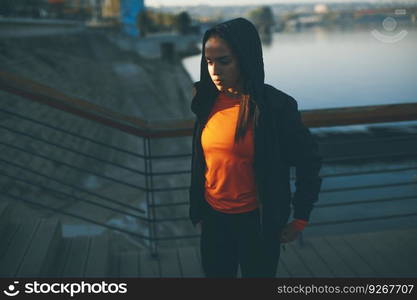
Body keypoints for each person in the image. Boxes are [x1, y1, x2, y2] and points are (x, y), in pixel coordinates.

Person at [188, 17, 323, 278]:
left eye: (224, 61)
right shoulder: (205, 101)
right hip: (214, 221)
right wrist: (198, 212)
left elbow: (309, 161)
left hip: (258, 226)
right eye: (208, 61)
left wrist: (300, 217)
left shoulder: (276, 107)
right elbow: (200, 161)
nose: (214, 70)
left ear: (245, 58)